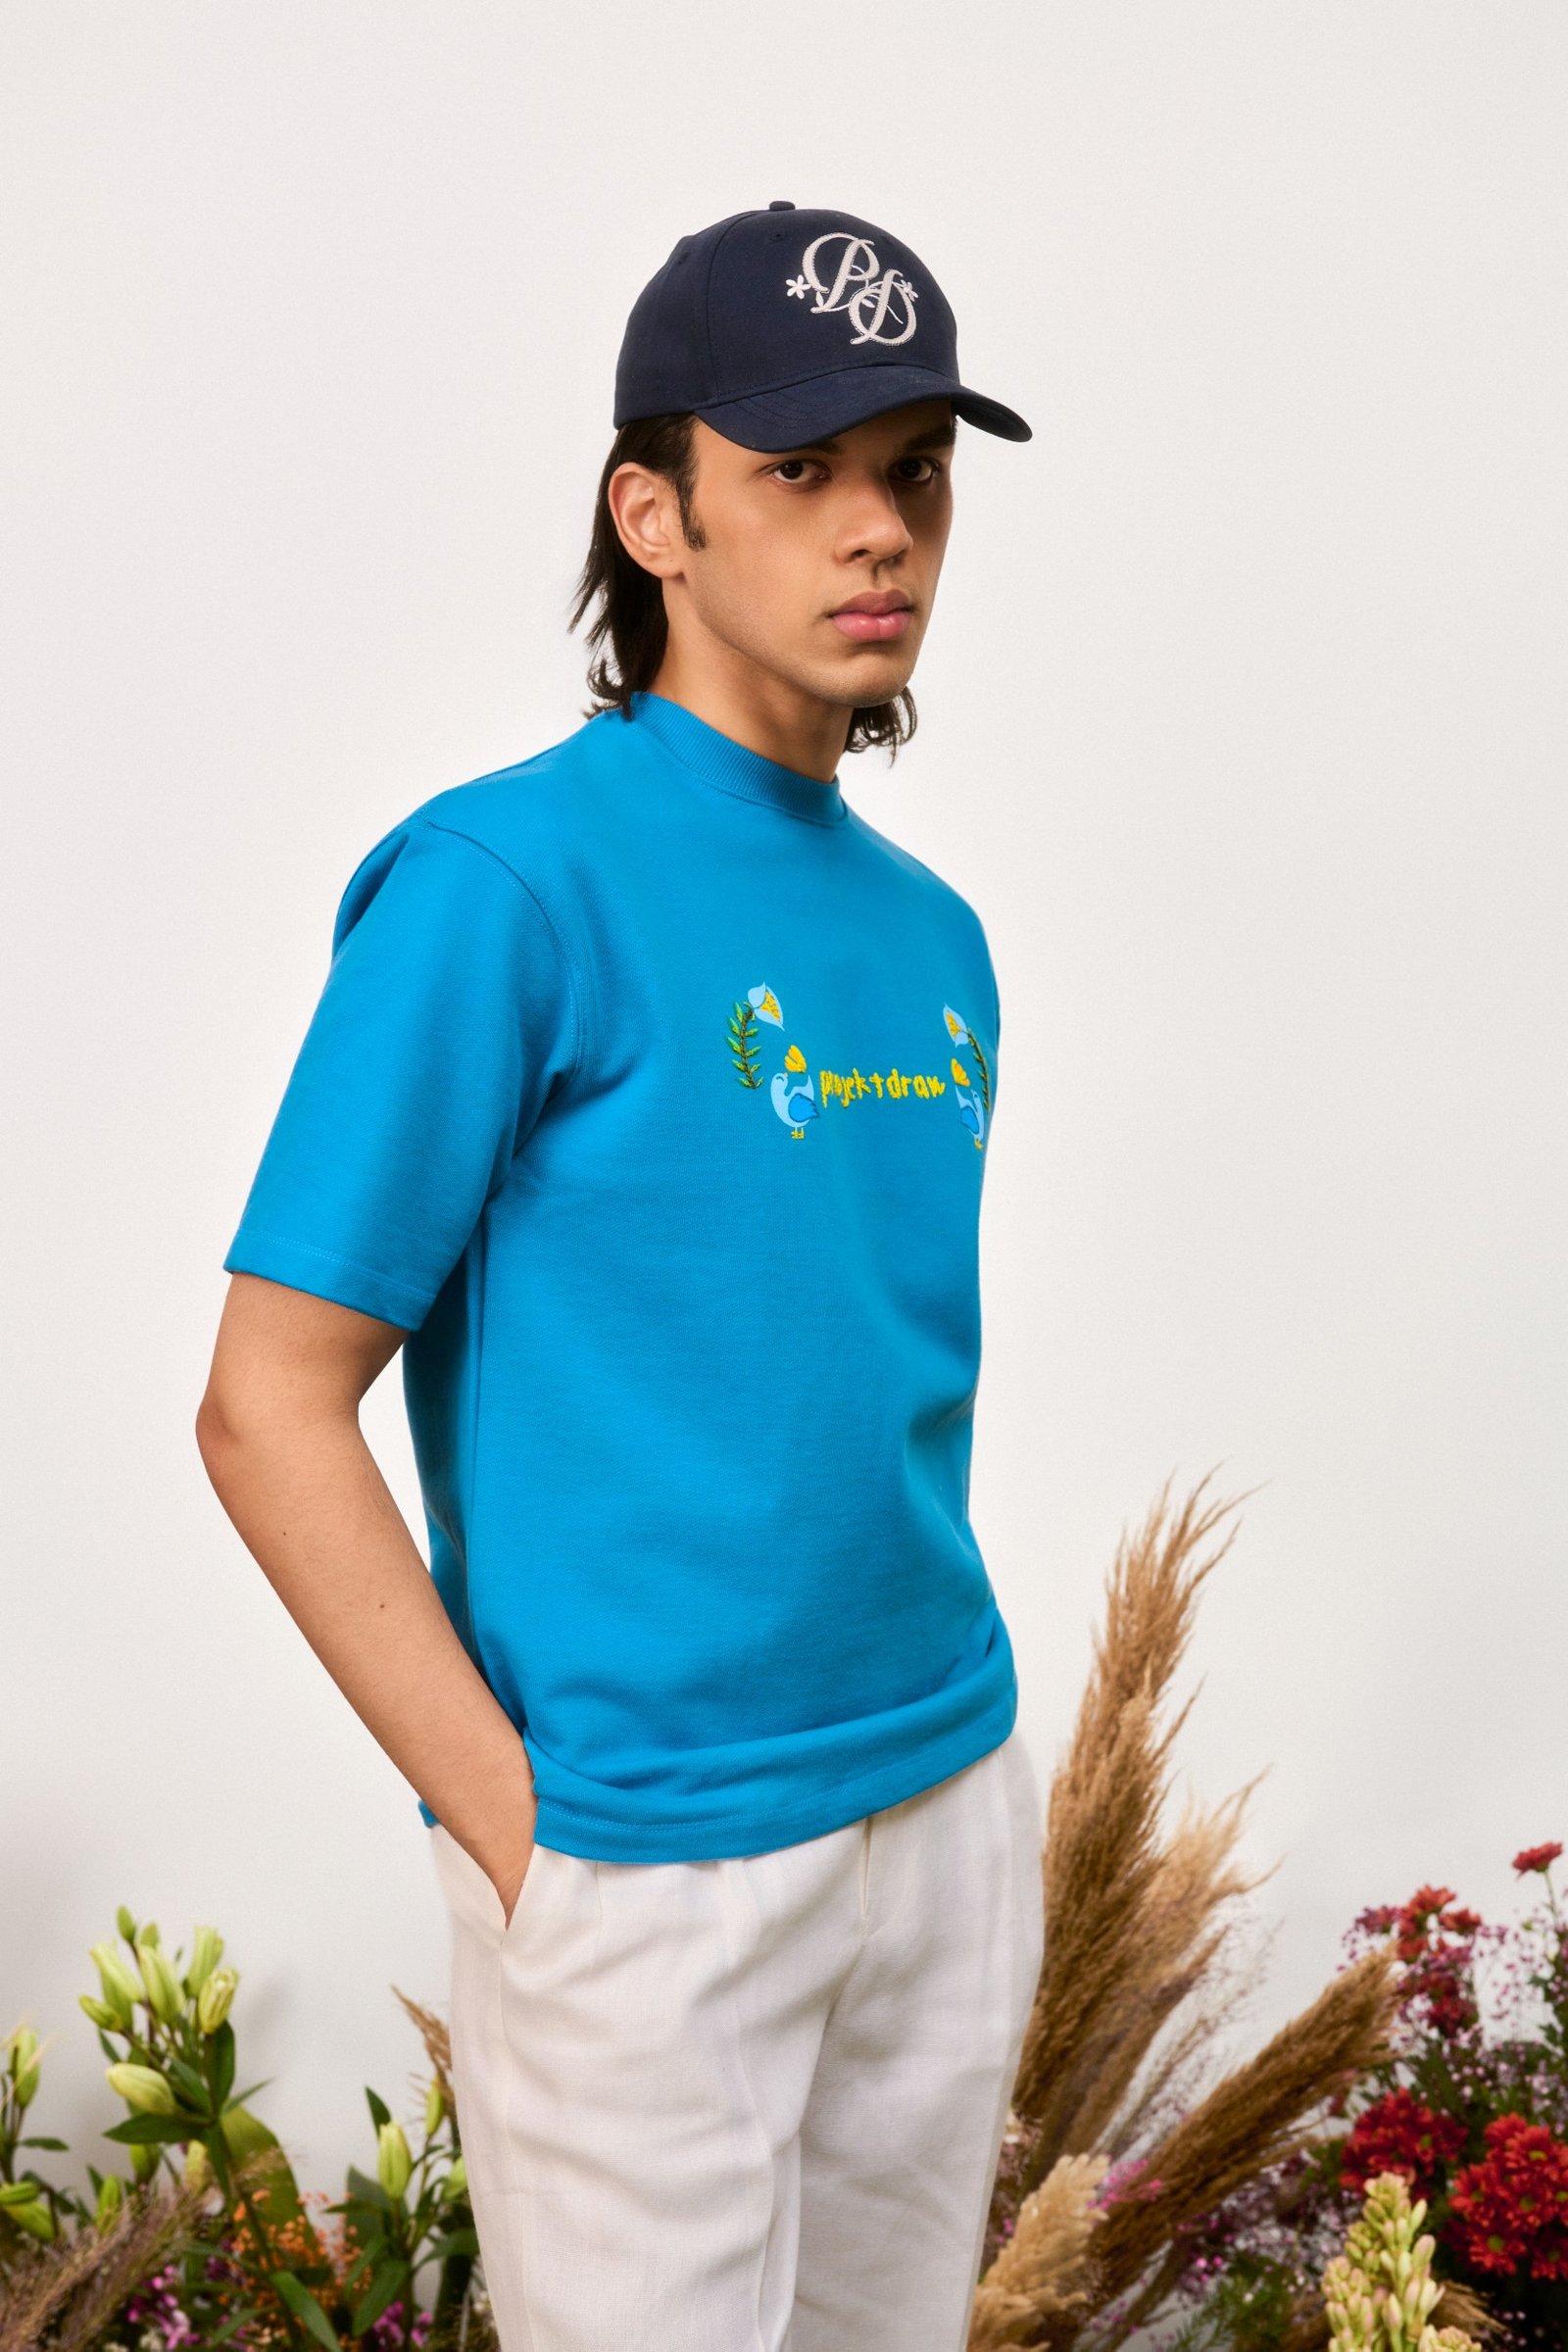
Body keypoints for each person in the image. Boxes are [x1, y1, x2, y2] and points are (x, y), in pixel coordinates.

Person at [197, 199, 1045, 2352]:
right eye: (802, 470)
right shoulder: (503, 885)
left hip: (944, 1796)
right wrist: (524, 1838)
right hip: (645, 1859)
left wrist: (959, 1785)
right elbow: (266, 1401)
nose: (880, 530)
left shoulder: (936, 938)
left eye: (915, 471)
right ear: (650, 514)